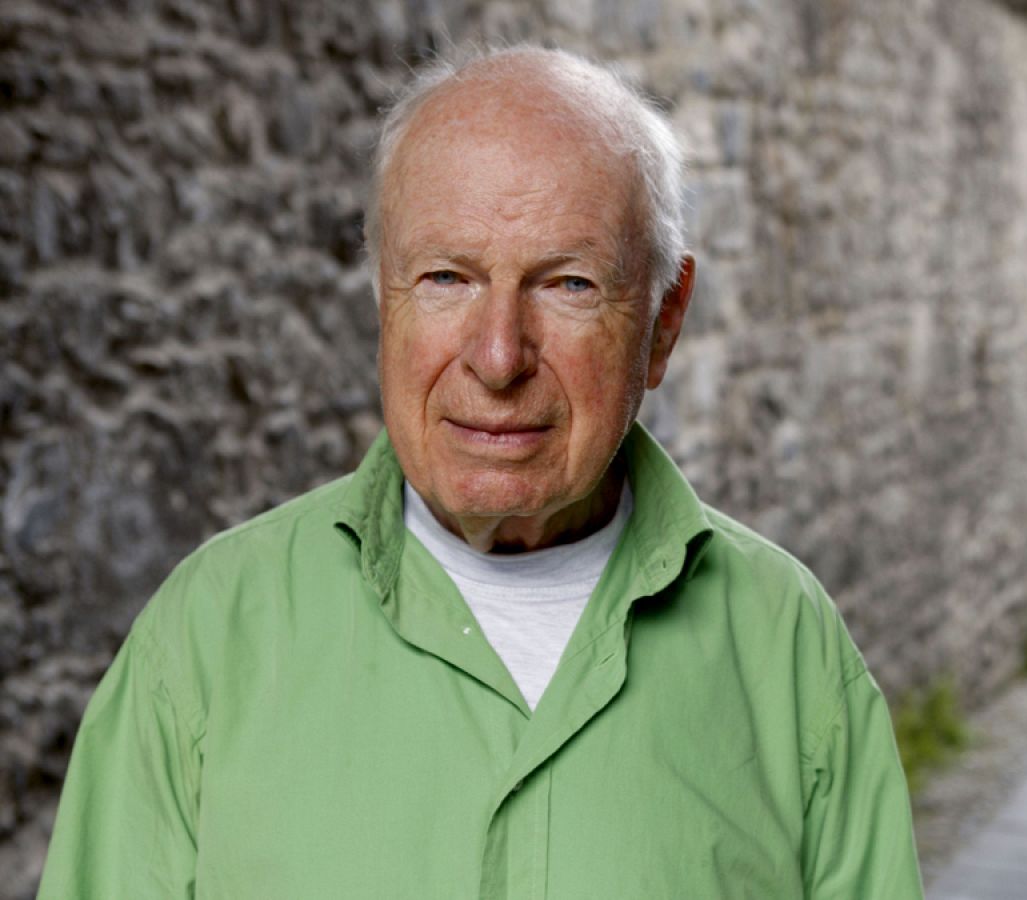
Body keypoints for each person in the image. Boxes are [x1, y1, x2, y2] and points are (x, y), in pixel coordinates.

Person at [38, 45, 923, 899]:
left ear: (663, 321)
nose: (498, 357)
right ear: (382, 295)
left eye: (568, 284)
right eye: (446, 277)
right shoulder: (202, 643)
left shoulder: (789, 651)